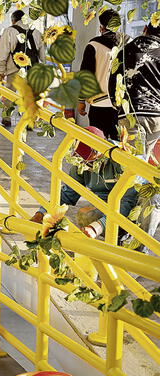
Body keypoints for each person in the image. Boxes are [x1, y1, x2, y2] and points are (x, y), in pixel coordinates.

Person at [30, 126, 138, 240]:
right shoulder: (82, 163)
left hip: (135, 203)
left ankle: (133, 246)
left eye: (89, 158)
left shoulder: (122, 158)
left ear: (99, 152)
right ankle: (117, 238)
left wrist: (98, 226)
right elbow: (67, 193)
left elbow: (128, 201)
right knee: (85, 216)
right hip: (107, 204)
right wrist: (42, 213)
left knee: (150, 207)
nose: (85, 162)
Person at [109, 21, 160, 159]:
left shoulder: (125, 51)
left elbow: (113, 81)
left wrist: (117, 106)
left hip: (131, 114)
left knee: (132, 163)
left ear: (145, 29)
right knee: (145, 160)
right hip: (156, 117)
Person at [78, 9, 124, 141]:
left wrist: (81, 100)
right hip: (119, 106)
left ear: (101, 27)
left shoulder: (93, 45)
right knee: (116, 146)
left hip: (98, 105)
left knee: (96, 145)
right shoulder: (125, 45)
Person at [0, 10, 46, 127]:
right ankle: (30, 122)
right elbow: (42, 55)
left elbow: (3, 54)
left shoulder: (9, 31)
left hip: (15, 69)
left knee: (10, 93)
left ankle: (7, 118)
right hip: (33, 70)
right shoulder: (36, 32)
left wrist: (1, 71)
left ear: (13, 20)